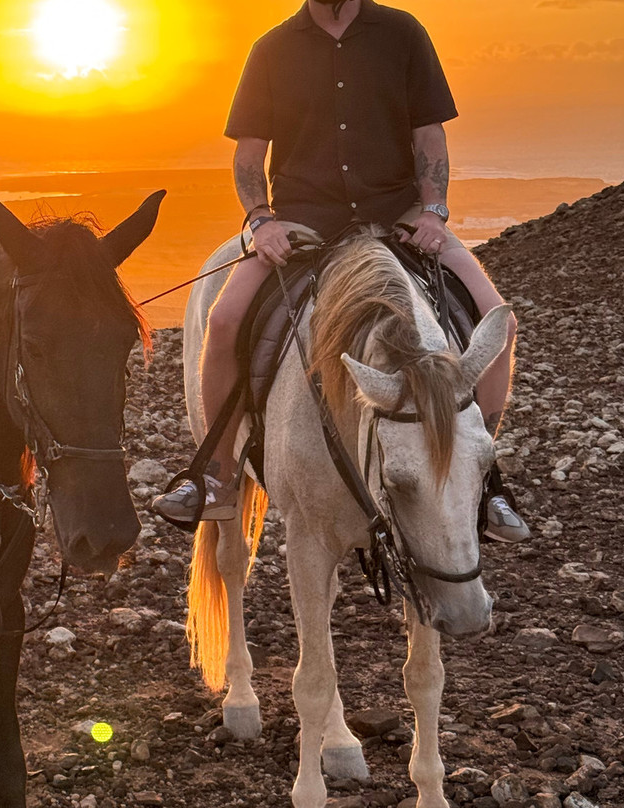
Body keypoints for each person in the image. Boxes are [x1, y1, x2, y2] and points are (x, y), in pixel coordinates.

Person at [152, 0, 530, 543]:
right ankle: (217, 477)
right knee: (226, 321)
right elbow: (248, 157)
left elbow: (429, 138)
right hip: (303, 223)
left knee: (501, 324)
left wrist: (433, 210)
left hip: (396, 216)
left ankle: (484, 478)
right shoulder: (271, 49)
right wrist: (262, 222)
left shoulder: (403, 33)